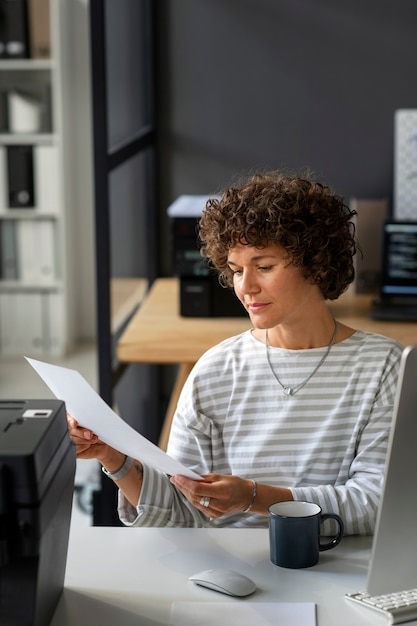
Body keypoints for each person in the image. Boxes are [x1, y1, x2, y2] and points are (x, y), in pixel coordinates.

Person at [68, 170, 403, 534]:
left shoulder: (383, 366)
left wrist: (254, 498)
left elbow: (378, 503)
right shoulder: (215, 370)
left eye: (264, 267)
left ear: (315, 262)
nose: (246, 287)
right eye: (236, 270)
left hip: (340, 569)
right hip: (234, 572)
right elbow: (182, 514)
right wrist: (112, 457)